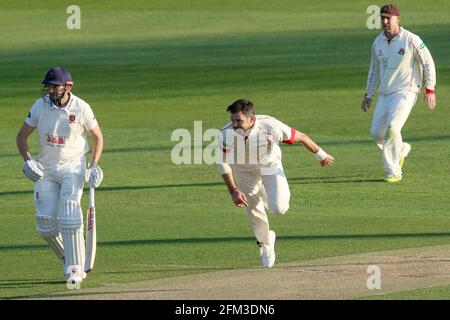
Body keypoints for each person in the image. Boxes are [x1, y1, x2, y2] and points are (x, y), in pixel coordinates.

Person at [217, 99, 334, 268]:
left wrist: (321, 155)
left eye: (239, 121)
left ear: (251, 119)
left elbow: (300, 136)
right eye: (233, 120)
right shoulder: (226, 134)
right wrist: (233, 190)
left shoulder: (270, 126)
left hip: (269, 166)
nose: (234, 124)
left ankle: (265, 189)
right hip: (243, 171)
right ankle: (265, 243)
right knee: (253, 211)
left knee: (279, 208)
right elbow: (222, 162)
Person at [16, 67, 104, 289]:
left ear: (69, 86)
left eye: (55, 86)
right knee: (45, 225)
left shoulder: (81, 107)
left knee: (70, 215)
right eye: (48, 86)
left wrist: (93, 166)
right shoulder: (40, 106)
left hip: (73, 166)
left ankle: (75, 268)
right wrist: (28, 160)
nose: (51, 90)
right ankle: (71, 256)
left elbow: (97, 138)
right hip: (45, 169)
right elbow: (22, 136)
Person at [361, 4, 436, 182]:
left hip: (406, 91)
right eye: (383, 18)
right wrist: (369, 94)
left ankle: (393, 171)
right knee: (376, 134)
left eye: (389, 18)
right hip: (385, 93)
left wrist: (430, 88)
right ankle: (400, 150)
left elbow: (428, 62)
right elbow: (374, 70)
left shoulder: (411, 39)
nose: (385, 21)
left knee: (393, 128)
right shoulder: (378, 42)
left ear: (398, 19)